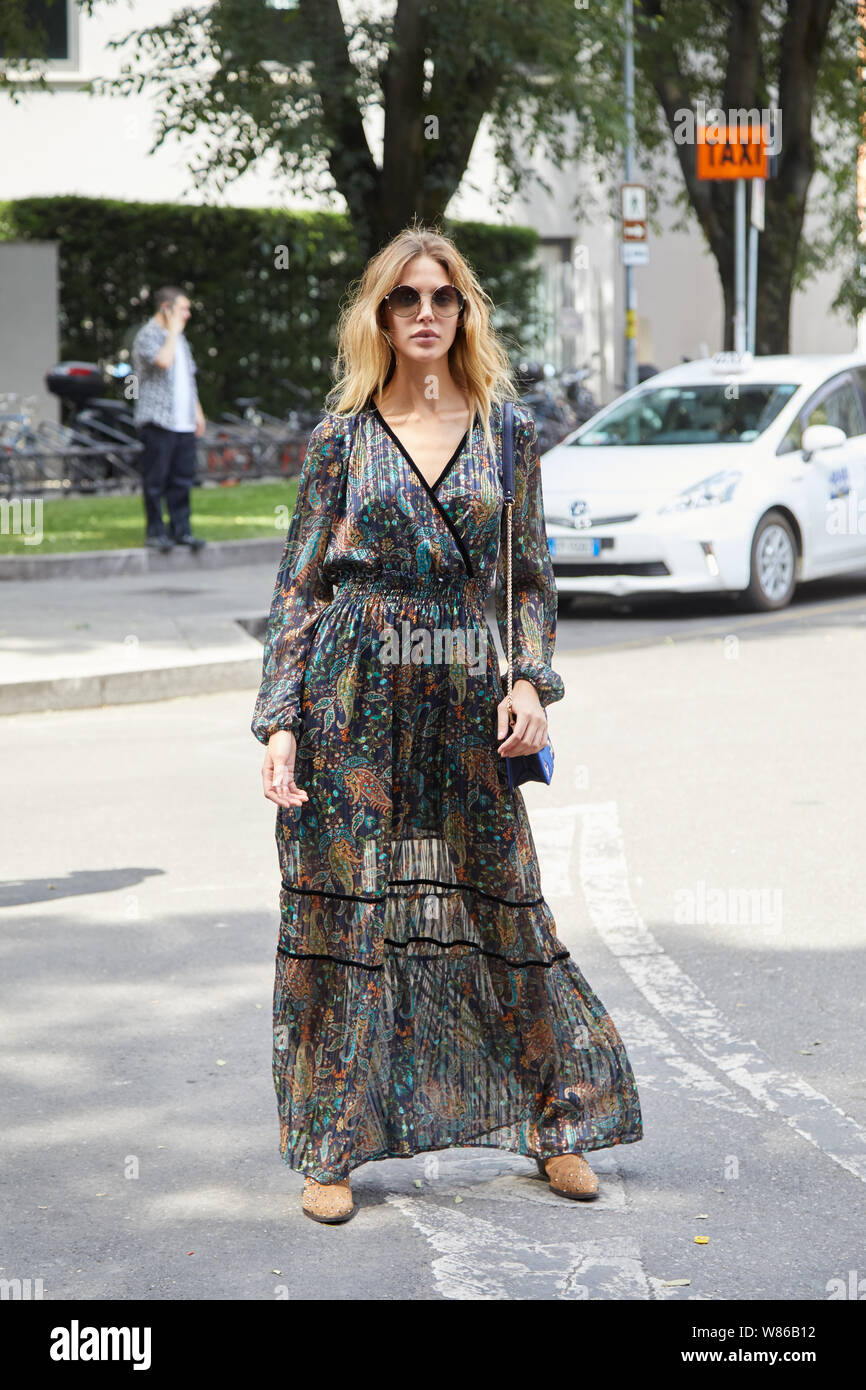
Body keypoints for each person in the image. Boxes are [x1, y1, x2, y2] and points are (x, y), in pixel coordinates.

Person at [251, 226, 642, 1225]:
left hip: (468, 702)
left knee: (504, 902)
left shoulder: (508, 434)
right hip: (352, 707)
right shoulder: (341, 439)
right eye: (403, 299)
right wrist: (281, 723)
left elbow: (525, 581)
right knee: (346, 915)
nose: (424, 313)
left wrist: (530, 683)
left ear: (463, 313)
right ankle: (331, 1144)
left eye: (441, 297)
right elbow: (298, 589)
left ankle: (556, 1122)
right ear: (378, 318)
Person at [130, 286, 207, 552]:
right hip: (158, 420)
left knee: (182, 479)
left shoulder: (181, 340)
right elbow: (163, 361)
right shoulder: (148, 336)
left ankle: (181, 531)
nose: (187, 315)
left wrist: (197, 412)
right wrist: (172, 332)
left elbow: (188, 378)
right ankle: (155, 532)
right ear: (166, 308)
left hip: (182, 421)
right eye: (182, 309)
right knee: (156, 480)